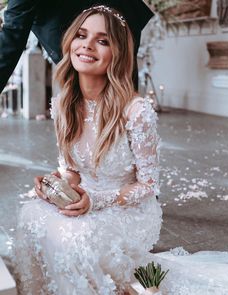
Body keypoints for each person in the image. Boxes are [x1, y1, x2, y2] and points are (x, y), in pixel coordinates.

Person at [14, 5, 162, 295]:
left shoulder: (136, 110)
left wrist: (97, 201)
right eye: (81, 35)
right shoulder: (62, 104)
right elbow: (71, 171)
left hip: (126, 207)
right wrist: (55, 184)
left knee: (75, 239)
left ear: (117, 53)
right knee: (30, 214)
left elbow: (149, 184)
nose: (87, 46)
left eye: (102, 40)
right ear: (70, 41)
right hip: (83, 198)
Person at [0, 0, 154, 92]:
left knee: (122, 99)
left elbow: (13, 33)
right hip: (75, 35)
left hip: (114, 23)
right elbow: (13, 33)